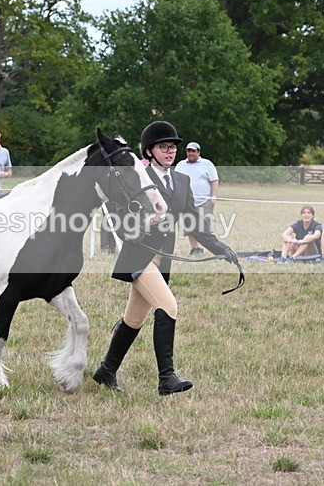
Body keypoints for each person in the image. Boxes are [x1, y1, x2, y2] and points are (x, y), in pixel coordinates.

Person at [92, 121, 238, 395]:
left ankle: (106, 370)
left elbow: (194, 222)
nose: (170, 152)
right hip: (139, 257)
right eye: (163, 147)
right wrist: (139, 227)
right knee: (168, 306)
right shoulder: (138, 176)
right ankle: (166, 378)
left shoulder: (182, 180)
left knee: (133, 320)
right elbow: (115, 212)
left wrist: (221, 248)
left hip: (162, 261)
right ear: (149, 151)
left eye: (172, 147)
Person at [175, 141, 218, 255]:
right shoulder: (180, 165)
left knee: (204, 226)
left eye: (193, 151)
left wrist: (213, 196)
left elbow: (214, 181)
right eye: (189, 151)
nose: (191, 153)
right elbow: (176, 181)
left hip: (204, 201)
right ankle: (195, 248)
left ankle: (204, 248)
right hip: (186, 202)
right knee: (189, 225)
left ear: (199, 152)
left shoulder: (207, 164)